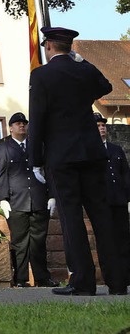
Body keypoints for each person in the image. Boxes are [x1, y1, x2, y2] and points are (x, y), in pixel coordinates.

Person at [28, 26, 126, 296]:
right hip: (93, 153)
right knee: (102, 217)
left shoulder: (42, 75)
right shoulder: (83, 71)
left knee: (72, 219)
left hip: (62, 157)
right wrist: (83, 61)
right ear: (70, 48)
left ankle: (83, 282)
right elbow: (105, 86)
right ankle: (117, 282)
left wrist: (35, 159)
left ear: (49, 47)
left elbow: (37, 119)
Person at [0, 112, 58, 288]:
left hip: (38, 200)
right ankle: (21, 279)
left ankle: (42, 277)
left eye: (24, 123)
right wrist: (3, 199)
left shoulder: (38, 147)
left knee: (39, 242)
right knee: (20, 242)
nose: (22, 125)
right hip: (16, 202)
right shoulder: (3, 148)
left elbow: (49, 171)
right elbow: (0, 176)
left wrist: (52, 195)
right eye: (17, 123)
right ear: (11, 128)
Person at [95, 112, 130, 287]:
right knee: (106, 241)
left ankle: (126, 276)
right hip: (103, 202)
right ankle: (111, 277)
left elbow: (125, 173)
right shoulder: (90, 150)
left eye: (103, 125)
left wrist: (126, 195)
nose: (101, 128)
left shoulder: (116, 149)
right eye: (98, 126)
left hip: (119, 201)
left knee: (123, 239)